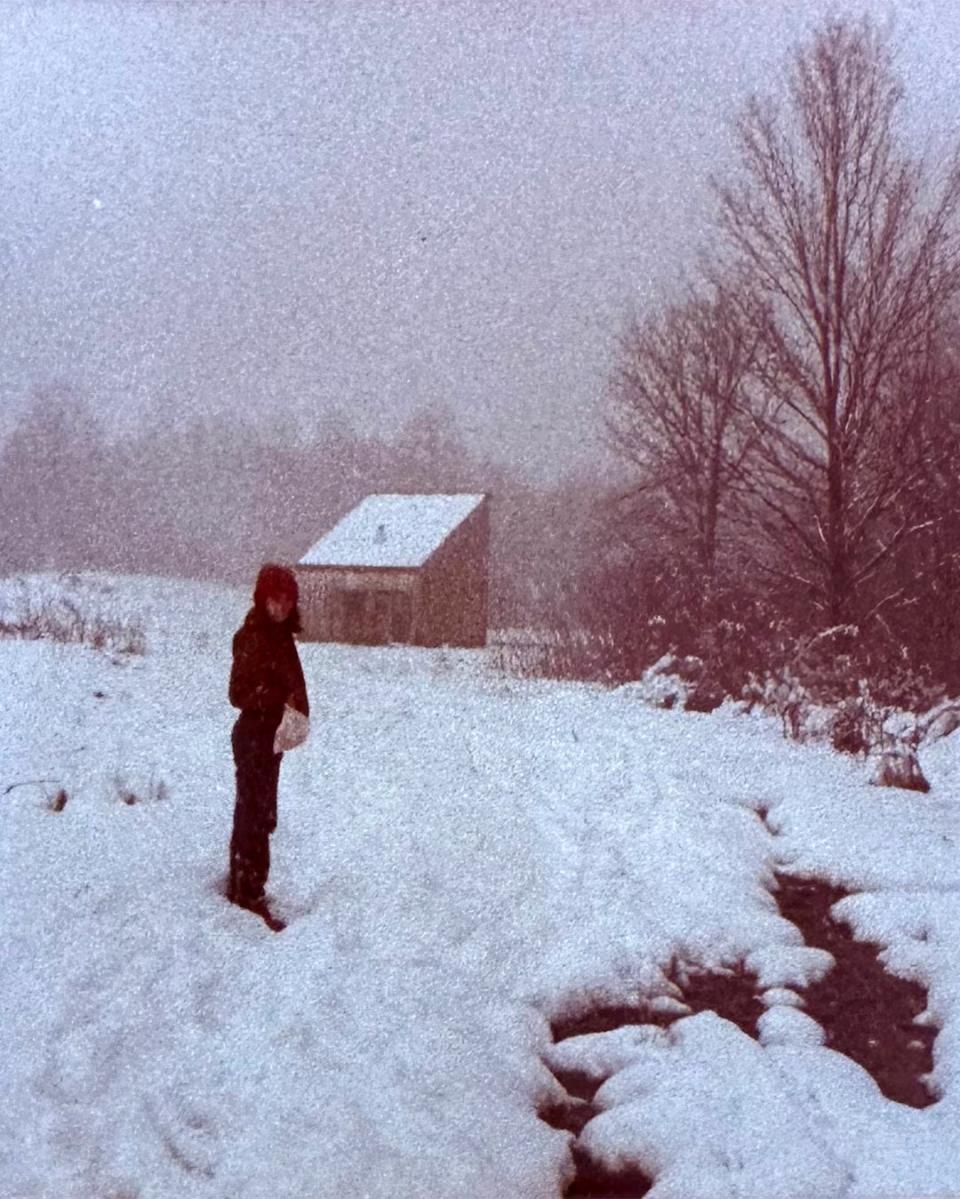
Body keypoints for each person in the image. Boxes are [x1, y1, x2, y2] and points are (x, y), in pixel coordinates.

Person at [227, 563, 310, 930]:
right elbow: (238, 693)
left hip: (272, 736)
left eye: (288, 601)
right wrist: (278, 699)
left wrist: (298, 709)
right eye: (276, 600)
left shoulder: (281, 636)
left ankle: (253, 885)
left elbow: (296, 682)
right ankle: (244, 891)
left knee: (264, 815)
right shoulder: (252, 637)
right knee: (252, 816)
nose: (282, 607)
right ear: (263, 599)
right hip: (252, 736)